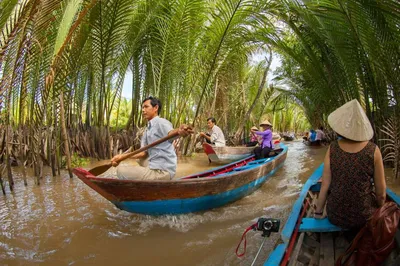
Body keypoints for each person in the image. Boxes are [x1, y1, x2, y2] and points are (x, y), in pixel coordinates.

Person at [314, 99, 386, 233]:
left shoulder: (332, 148)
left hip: (336, 216)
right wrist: (379, 211)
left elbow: (325, 185)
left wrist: (319, 212)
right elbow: (381, 194)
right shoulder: (374, 150)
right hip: (365, 217)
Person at [111, 96, 192, 180]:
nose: (143, 110)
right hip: (155, 165)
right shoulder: (147, 130)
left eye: (146, 107)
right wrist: (121, 157)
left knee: (120, 170)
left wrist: (180, 131)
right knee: (140, 159)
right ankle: (147, 174)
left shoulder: (161, 122)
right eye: (142, 107)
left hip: (163, 171)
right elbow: (142, 153)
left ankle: (153, 178)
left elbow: (171, 133)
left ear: (155, 108)